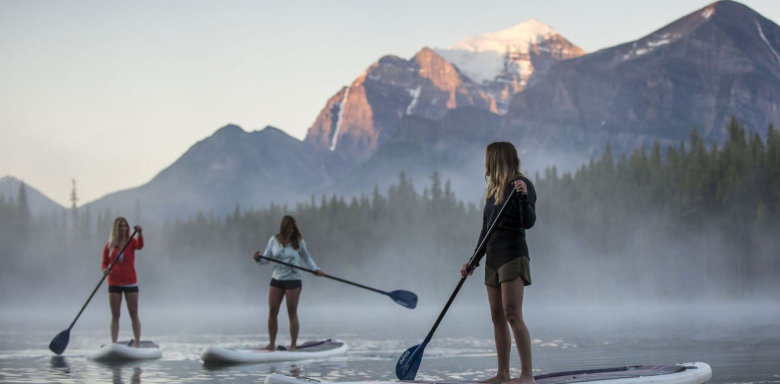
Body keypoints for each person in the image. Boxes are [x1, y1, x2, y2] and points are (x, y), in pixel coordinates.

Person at [461, 142, 537, 384]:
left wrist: (524, 197)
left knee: (512, 313)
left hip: (513, 255)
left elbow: (529, 222)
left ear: (497, 159)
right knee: (496, 316)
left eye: (488, 159)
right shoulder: (493, 190)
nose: (486, 164)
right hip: (492, 258)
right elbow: (485, 230)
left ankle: (527, 375)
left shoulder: (521, 184)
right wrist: (473, 261)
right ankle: (502, 374)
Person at [253, 215, 324, 351]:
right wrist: (257, 259)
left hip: (293, 280)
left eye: (293, 228)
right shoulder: (274, 240)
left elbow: (307, 258)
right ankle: (271, 344)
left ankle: (293, 345)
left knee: (292, 312)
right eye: (288, 228)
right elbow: (266, 259)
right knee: (273, 311)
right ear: (283, 228)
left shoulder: (299, 241)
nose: (291, 230)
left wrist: (316, 269)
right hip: (277, 280)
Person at [101, 217, 145, 347]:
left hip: (130, 282)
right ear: (116, 228)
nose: (123, 228)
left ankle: (137, 343)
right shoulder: (109, 245)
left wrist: (140, 233)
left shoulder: (131, 242)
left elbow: (140, 246)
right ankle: (114, 343)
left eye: (125, 226)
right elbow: (104, 263)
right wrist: (105, 270)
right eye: (120, 226)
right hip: (114, 283)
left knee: (134, 314)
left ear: (128, 228)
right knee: (115, 315)